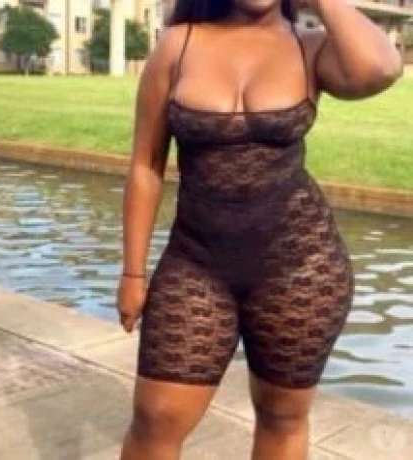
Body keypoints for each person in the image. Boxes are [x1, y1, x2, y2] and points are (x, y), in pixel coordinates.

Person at [117, 1, 403, 459]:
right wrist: (133, 273)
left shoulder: (309, 47)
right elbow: (146, 165)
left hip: (302, 266)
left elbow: (381, 68)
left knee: (282, 417)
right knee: (156, 418)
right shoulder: (177, 45)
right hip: (196, 264)